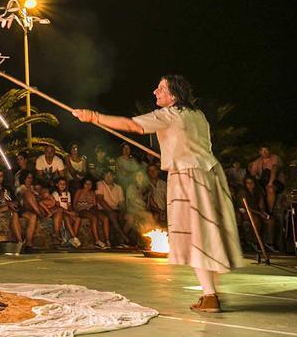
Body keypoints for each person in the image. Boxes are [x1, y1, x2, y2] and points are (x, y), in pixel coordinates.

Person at [74, 75, 244, 313]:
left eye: (161, 88)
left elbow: (133, 125)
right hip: (209, 173)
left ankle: (210, 295)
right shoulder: (197, 115)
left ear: (174, 95)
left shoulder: (169, 114)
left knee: (197, 234)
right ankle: (210, 293)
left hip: (188, 176)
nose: (155, 92)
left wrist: (94, 117)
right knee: (207, 232)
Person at [234, 175, 274, 251]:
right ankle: (255, 242)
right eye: (248, 183)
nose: (250, 185)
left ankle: (269, 244)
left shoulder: (258, 191)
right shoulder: (242, 192)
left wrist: (263, 213)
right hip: (245, 211)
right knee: (256, 220)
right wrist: (259, 213)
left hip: (257, 211)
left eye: (252, 183)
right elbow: (245, 206)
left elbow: (261, 205)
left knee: (271, 221)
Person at [96, 170, 133, 247]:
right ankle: (125, 238)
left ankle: (121, 240)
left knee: (130, 218)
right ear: (103, 176)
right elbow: (100, 200)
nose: (108, 177)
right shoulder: (100, 184)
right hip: (103, 209)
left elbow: (122, 203)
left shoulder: (118, 188)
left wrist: (121, 213)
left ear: (114, 177)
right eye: (106, 175)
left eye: (110, 175)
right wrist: (111, 211)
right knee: (112, 216)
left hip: (116, 209)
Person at [73, 177, 110, 249]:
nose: (88, 186)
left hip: (91, 209)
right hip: (82, 209)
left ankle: (107, 240)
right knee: (94, 218)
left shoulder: (92, 192)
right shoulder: (79, 191)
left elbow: (94, 204)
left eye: (90, 184)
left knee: (105, 218)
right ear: (83, 184)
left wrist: (95, 210)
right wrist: (76, 211)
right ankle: (97, 240)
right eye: (86, 184)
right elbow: (74, 203)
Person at [50, 177, 83, 248]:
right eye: (60, 184)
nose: (62, 185)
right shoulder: (55, 193)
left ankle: (72, 239)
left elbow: (69, 205)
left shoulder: (68, 193)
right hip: (61, 212)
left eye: (64, 184)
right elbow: (58, 207)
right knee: (67, 218)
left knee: (78, 219)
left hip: (67, 211)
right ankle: (74, 237)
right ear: (56, 185)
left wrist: (72, 212)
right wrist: (70, 213)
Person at [247, 146, 281, 212]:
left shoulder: (275, 158)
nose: (265, 152)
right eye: (263, 151)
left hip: (276, 181)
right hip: (262, 182)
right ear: (260, 152)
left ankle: (270, 212)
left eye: (266, 150)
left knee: (270, 189)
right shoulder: (257, 161)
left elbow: (274, 169)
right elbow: (252, 174)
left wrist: (270, 182)